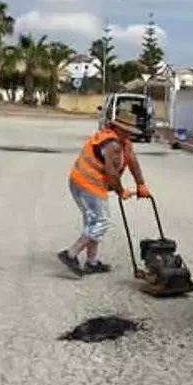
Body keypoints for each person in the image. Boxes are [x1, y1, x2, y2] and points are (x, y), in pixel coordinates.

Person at [57, 109, 151, 276]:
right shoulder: (113, 144)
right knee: (101, 221)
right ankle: (71, 254)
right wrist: (121, 191)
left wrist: (140, 184)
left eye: (131, 131)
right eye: (127, 131)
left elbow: (132, 160)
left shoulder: (123, 142)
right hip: (86, 183)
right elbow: (112, 174)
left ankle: (91, 262)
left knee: (93, 221)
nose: (130, 134)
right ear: (118, 128)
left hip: (84, 182)